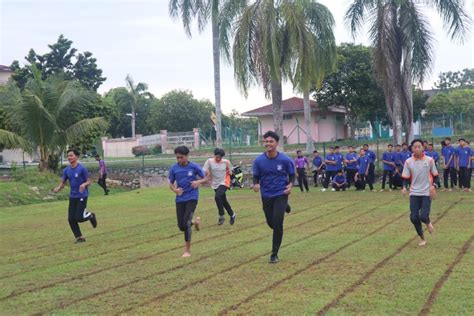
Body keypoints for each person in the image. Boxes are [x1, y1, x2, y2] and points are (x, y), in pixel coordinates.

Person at [252, 131, 295, 264]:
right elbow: (256, 177)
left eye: (271, 141)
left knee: (277, 223)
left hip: (281, 194)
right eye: (266, 141)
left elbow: (292, 174)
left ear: (276, 143)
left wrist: (290, 185)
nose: (268, 144)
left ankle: (274, 253)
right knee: (271, 223)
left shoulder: (285, 159)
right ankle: (285, 208)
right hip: (266, 195)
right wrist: (255, 185)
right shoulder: (259, 161)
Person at [169, 145, 206, 257]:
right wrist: (175, 190)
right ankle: (195, 222)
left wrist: (198, 182)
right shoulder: (174, 168)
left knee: (186, 223)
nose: (179, 160)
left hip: (192, 197)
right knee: (181, 226)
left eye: (181, 157)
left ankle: (187, 251)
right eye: (177, 158)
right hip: (180, 199)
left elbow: (206, 178)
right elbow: (170, 184)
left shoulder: (194, 166)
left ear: (187, 156)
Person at [53, 149, 97, 243]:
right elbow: (63, 183)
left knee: (79, 218)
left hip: (82, 195)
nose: (69, 157)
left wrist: (83, 185)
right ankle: (79, 237)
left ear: (76, 157)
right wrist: (58, 188)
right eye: (68, 156)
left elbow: (89, 181)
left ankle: (91, 216)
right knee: (71, 219)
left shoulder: (82, 169)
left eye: (71, 155)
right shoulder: (66, 170)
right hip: (72, 196)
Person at [402, 139, 438, 246]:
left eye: (419, 146)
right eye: (415, 147)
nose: (417, 149)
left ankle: (427, 222)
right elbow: (405, 178)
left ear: (423, 147)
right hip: (414, 192)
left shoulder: (430, 160)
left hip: (426, 192)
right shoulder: (408, 162)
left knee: (423, 216)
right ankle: (422, 238)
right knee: (413, 217)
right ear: (412, 149)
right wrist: (404, 187)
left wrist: (433, 186)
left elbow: (436, 176)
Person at [203, 148, 236, 226]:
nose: (218, 159)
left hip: (224, 182)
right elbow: (204, 170)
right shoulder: (209, 161)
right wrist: (205, 176)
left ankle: (221, 216)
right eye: (216, 157)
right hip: (215, 183)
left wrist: (233, 181)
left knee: (217, 197)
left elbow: (230, 172)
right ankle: (232, 214)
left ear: (222, 157)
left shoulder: (226, 162)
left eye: (220, 157)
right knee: (223, 201)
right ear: (214, 155)